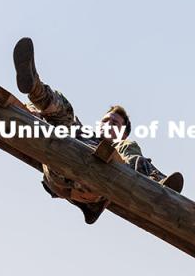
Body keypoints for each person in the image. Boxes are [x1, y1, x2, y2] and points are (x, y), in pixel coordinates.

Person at [13, 37, 184, 225]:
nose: (109, 124)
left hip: (98, 185)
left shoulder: (124, 148)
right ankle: (35, 88)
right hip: (61, 165)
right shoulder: (82, 132)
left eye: (115, 124)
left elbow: (132, 157)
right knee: (66, 115)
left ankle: (159, 186)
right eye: (106, 120)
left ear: (123, 133)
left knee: (132, 153)